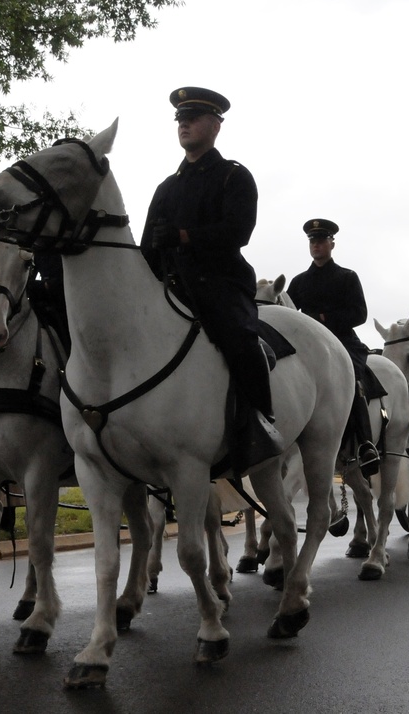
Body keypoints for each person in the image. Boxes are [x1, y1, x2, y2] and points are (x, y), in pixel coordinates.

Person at [139, 86, 283, 475]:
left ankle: (257, 424)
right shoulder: (166, 188)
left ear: (216, 125)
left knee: (239, 338)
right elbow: (147, 251)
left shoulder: (233, 176)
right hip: (172, 287)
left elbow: (238, 231)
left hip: (219, 284)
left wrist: (184, 237)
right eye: (179, 119)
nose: (183, 123)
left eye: (194, 117)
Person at [287, 219, 381, 477]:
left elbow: (360, 314)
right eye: (312, 241)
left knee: (355, 379)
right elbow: (287, 312)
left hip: (343, 342)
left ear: (331, 243)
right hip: (308, 344)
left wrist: (324, 319)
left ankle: (365, 443)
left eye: (321, 240)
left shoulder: (347, 277)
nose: (316, 245)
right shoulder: (298, 282)